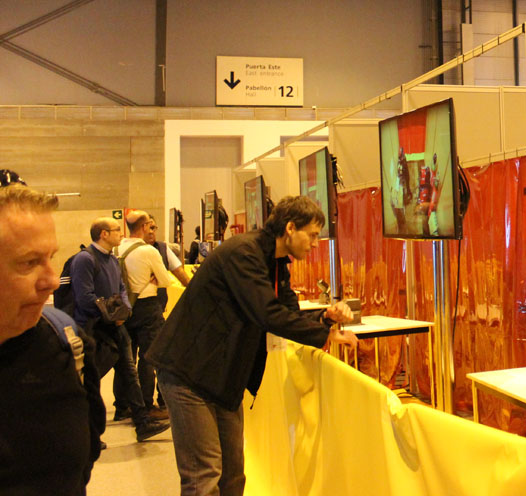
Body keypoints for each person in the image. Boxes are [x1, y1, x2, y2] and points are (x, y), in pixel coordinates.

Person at [149, 195, 356, 495]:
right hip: (188, 373)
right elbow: (267, 314)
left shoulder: (275, 261)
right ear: (290, 228)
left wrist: (325, 319)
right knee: (204, 476)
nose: (315, 243)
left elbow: (287, 312)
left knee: (233, 475)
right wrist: (324, 336)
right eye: (312, 235)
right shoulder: (244, 253)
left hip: (222, 377)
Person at [0, 182, 104, 494]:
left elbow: (83, 460)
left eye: (51, 257)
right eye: (29, 262)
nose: (52, 281)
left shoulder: (68, 345)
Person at [70, 217, 170, 442]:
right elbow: (84, 297)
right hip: (94, 329)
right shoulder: (85, 259)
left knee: (129, 372)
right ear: (103, 234)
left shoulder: (113, 259)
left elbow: (122, 288)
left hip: (115, 326)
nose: (120, 233)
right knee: (91, 379)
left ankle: (142, 423)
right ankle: (90, 434)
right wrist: (112, 315)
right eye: (116, 230)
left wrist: (124, 311)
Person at [114, 212, 174, 419]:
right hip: (147, 307)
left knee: (125, 358)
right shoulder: (148, 251)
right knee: (148, 358)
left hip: (123, 308)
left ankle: (123, 406)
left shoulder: (116, 249)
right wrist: (151, 278)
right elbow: (165, 280)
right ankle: (147, 405)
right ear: (144, 226)